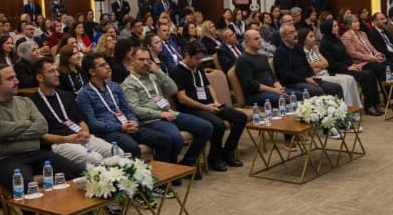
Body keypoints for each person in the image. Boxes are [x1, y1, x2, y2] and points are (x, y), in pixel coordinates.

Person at [0, 64, 80, 202]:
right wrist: (27, 123)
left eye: (15, 77)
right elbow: (1, 131)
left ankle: (69, 208)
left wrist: (11, 133)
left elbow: (42, 127)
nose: (16, 81)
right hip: (4, 159)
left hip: (35, 153)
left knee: (77, 171)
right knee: (27, 186)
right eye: (10, 79)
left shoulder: (25, 101)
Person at [121, 43, 210, 172]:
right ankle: (171, 171)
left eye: (148, 60)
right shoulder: (128, 84)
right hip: (152, 120)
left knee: (206, 128)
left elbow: (173, 90)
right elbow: (134, 109)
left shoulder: (153, 76)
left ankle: (187, 163)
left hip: (169, 113)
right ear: (132, 62)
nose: (145, 63)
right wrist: (160, 114)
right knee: (176, 138)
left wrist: (158, 72)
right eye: (141, 60)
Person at [29, 56, 122, 172]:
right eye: (51, 71)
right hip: (60, 142)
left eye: (56, 70)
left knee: (116, 152)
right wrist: (65, 139)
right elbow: (40, 135)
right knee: (95, 159)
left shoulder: (66, 96)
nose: (57, 74)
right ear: (40, 77)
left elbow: (81, 120)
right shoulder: (32, 103)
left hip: (80, 137)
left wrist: (85, 133)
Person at [172, 41, 245, 170]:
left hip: (209, 104)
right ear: (187, 55)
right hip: (192, 109)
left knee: (240, 117)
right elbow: (182, 98)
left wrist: (215, 101)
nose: (199, 61)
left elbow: (208, 86)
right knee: (218, 125)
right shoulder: (177, 72)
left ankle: (227, 151)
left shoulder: (198, 67)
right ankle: (214, 157)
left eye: (201, 58)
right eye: (196, 58)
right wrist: (205, 107)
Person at [76, 53, 146, 157]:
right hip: (108, 132)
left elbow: (126, 109)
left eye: (106, 64)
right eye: (102, 65)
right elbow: (93, 123)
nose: (108, 67)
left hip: (127, 125)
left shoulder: (115, 86)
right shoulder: (84, 94)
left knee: (164, 139)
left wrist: (133, 121)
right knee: (133, 147)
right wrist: (120, 127)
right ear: (92, 72)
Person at [320, 17, 382, 113]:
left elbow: (346, 56)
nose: (337, 27)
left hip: (346, 66)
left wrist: (354, 65)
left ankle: (375, 103)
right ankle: (369, 106)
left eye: (336, 25)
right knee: (366, 75)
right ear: (328, 28)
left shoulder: (337, 39)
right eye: (334, 26)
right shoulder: (324, 43)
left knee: (370, 72)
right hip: (336, 70)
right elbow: (331, 63)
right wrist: (347, 67)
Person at [274, 22, 347, 101]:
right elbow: (285, 75)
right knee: (318, 91)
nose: (295, 34)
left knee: (336, 87)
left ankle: (340, 108)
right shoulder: (280, 53)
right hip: (292, 83)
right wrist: (305, 79)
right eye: (291, 33)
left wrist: (312, 75)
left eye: (295, 31)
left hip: (307, 79)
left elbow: (307, 66)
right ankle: (325, 108)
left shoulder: (298, 48)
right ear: (283, 37)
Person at [300, 25, 361, 108]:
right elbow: (311, 70)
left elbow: (326, 63)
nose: (314, 38)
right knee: (343, 81)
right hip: (317, 76)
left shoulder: (314, 49)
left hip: (326, 72)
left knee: (350, 78)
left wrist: (315, 64)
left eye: (314, 36)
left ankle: (355, 107)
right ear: (304, 39)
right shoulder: (301, 52)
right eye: (311, 37)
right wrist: (320, 65)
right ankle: (345, 107)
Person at [233, 28, 290, 109]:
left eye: (260, 38)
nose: (260, 41)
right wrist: (274, 90)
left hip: (271, 90)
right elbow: (251, 85)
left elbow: (272, 76)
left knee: (295, 95)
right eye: (256, 39)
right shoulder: (243, 60)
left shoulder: (262, 57)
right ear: (247, 42)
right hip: (256, 95)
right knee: (284, 99)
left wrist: (279, 87)